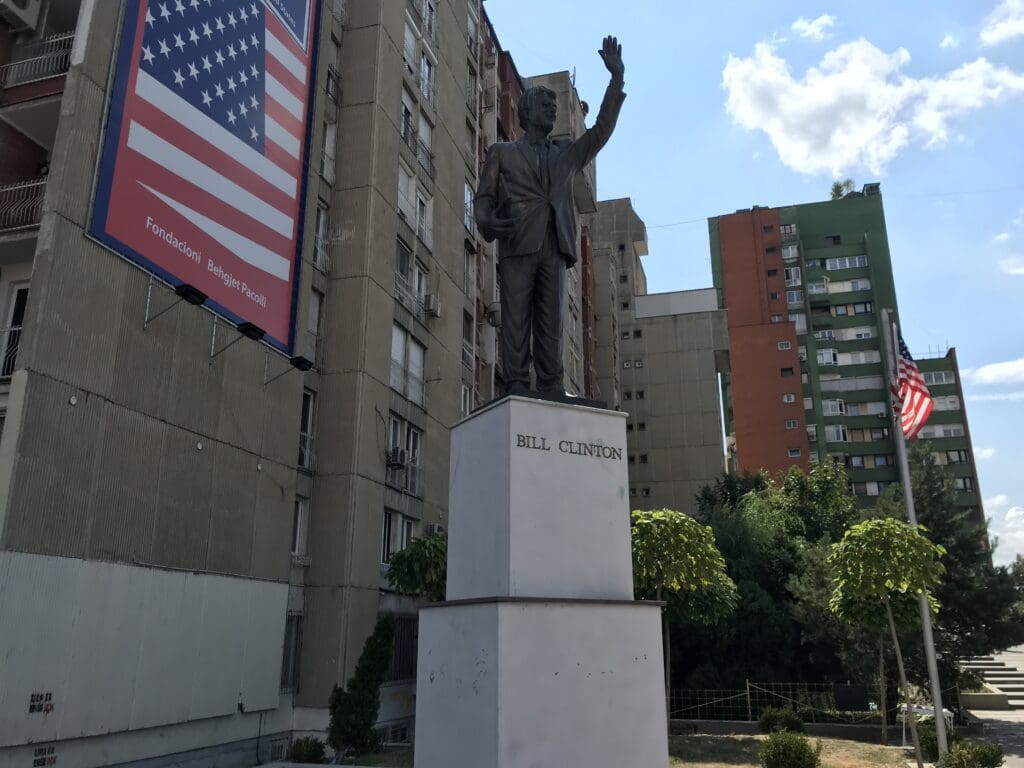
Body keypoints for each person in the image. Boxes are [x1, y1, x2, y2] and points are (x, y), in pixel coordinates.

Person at [475, 35, 625, 397]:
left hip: (555, 247)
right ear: (526, 112)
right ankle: (514, 382)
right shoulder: (502, 152)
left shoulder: (566, 153)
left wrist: (616, 79)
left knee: (552, 323)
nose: (553, 111)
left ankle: (552, 385)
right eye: (546, 105)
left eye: (554, 107)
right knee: (514, 317)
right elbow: (483, 198)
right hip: (517, 240)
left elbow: (601, 130)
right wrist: (486, 222)